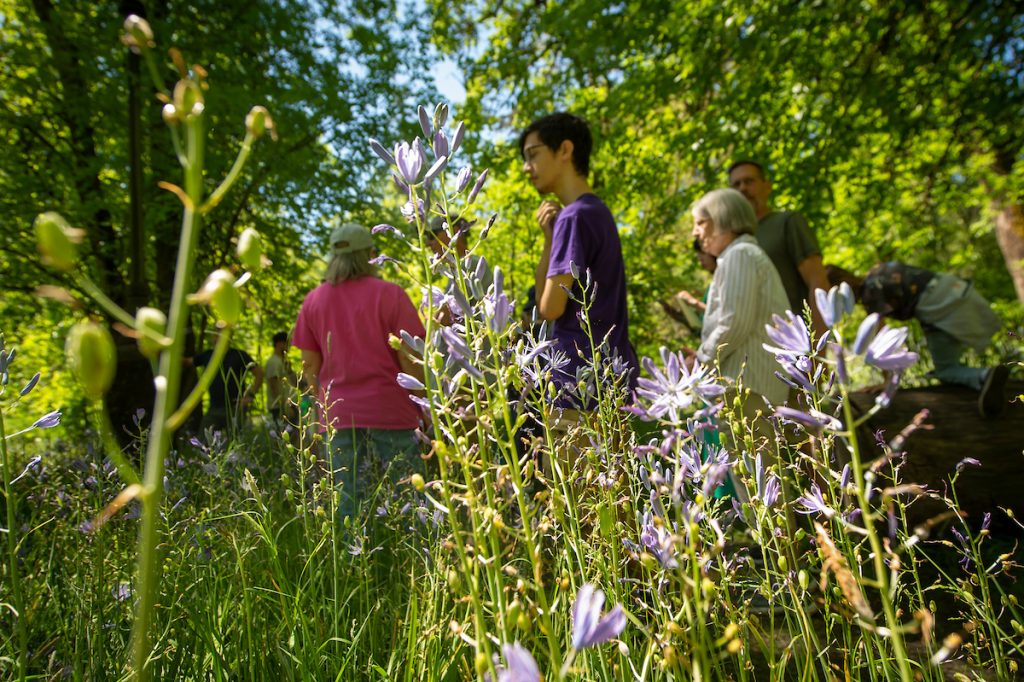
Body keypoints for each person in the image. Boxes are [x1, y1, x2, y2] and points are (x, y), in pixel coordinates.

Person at [292, 223, 428, 519]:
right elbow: (410, 361)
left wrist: (314, 417)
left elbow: (309, 370)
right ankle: (415, 561)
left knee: (347, 501)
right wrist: (426, 407)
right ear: (370, 255)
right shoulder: (391, 294)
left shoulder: (313, 301)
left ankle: (351, 563)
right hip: (391, 411)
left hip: (338, 416)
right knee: (407, 496)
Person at [519, 112, 639, 419]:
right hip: (613, 377)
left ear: (565, 150)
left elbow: (548, 308)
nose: (526, 167)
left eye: (533, 154)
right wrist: (550, 240)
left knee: (571, 468)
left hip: (576, 382)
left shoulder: (572, 217)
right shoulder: (597, 212)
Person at [686, 188, 791, 502]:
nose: (696, 232)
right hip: (751, 386)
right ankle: (777, 548)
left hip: (748, 389)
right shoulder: (742, 256)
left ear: (723, 220)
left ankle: (783, 548)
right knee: (758, 481)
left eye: (701, 223)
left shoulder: (739, 255)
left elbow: (734, 322)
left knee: (761, 484)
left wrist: (701, 360)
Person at [827, 262, 1008, 417]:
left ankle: (984, 376)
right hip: (957, 289)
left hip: (942, 308)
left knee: (946, 370)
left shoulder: (871, 297)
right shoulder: (877, 270)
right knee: (952, 359)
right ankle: (990, 381)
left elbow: (881, 345)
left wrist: (888, 383)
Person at [728, 160, 830, 337]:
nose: (742, 188)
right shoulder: (733, 242)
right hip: (755, 352)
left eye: (749, 181)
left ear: (767, 186)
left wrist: (816, 350)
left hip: (795, 345)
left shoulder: (787, 222)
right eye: (736, 184)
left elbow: (818, 284)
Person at [192, 331, 264, 435]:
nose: (216, 338)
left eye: (220, 335)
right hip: (214, 408)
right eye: (215, 335)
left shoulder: (239, 355)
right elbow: (188, 362)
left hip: (235, 409)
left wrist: (250, 396)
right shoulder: (207, 355)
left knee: (237, 443)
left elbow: (260, 373)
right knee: (203, 443)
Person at [264, 331, 296, 427]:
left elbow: (294, 384)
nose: (290, 346)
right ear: (279, 344)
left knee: (294, 437)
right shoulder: (274, 362)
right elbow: (274, 386)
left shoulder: (283, 362)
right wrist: (285, 407)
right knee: (283, 437)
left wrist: (290, 370)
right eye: (287, 343)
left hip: (289, 405)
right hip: (280, 408)